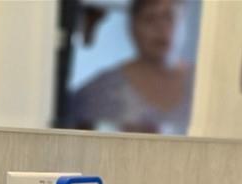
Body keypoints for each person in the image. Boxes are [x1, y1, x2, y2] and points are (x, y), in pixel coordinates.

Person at [64, 0, 195, 135]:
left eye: (169, 16)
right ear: (132, 26)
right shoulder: (98, 92)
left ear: (184, 21)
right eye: (150, 18)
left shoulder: (205, 86)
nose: (161, 28)